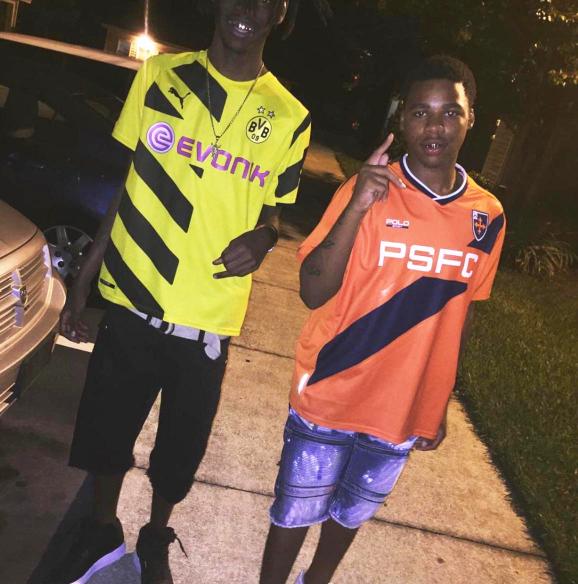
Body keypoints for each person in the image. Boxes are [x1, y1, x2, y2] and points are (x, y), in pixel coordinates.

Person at [48, 1, 329, 583]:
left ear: (281, 13)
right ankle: (101, 529)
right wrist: (85, 278)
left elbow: (274, 212)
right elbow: (126, 184)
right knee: (106, 432)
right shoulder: (159, 76)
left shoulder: (289, 116)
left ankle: (155, 536)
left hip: (208, 315)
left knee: (179, 451)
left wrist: (264, 238)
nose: (246, 8)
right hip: (134, 293)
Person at [259, 55, 506, 584]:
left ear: (471, 118)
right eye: (420, 112)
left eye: (449, 112)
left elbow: (460, 315)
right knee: (295, 510)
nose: (434, 126)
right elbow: (312, 290)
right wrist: (357, 206)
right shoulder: (368, 189)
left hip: (403, 405)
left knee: (352, 512)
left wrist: (438, 402)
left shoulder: (487, 216)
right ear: (402, 119)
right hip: (331, 389)